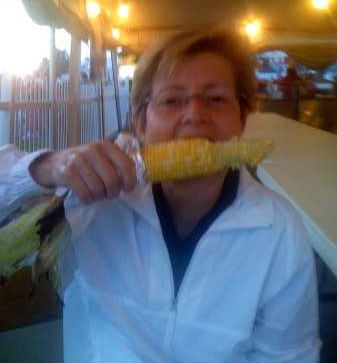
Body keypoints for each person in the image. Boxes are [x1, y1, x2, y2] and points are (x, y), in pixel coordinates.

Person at [0, 29, 320, 362]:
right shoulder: (94, 198)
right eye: (171, 100)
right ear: (140, 124)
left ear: (241, 120)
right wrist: (46, 167)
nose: (195, 114)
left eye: (216, 98)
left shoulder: (279, 230)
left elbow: (287, 355)